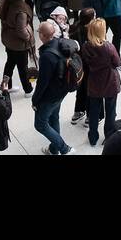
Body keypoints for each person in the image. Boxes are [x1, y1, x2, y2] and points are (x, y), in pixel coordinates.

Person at [32, 20, 77, 155]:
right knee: (53, 118)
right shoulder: (61, 43)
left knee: (40, 124)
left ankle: (64, 149)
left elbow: (42, 83)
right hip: (61, 91)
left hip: (50, 96)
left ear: (43, 35)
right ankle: (54, 149)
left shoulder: (47, 56)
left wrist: (35, 100)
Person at [81, 18, 121, 147]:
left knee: (94, 111)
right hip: (110, 82)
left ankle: (93, 137)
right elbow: (117, 62)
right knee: (110, 110)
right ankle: (109, 136)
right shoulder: (109, 47)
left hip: (94, 82)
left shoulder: (86, 46)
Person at [0, 0, 35, 95]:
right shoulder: (21, 10)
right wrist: (28, 36)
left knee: (10, 63)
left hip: (8, 40)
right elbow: (20, 30)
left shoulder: (8, 2)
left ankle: (6, 85)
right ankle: (28, 90)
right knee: (23, 68)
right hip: (19, 45)